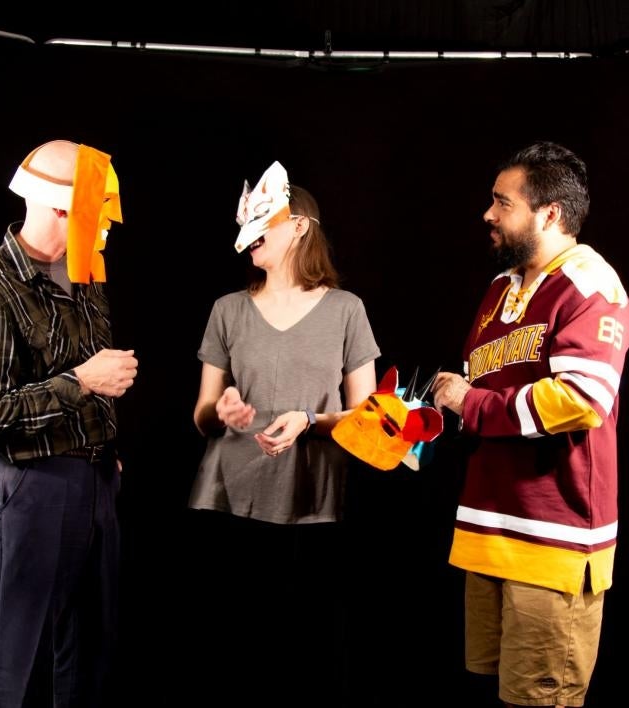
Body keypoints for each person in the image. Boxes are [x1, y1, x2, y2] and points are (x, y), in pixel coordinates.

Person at [432, 141, 629, 708]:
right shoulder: (501, 288)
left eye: (503, 203)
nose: (488, 214)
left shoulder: (591, 286)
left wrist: (470, 404)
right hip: (486, 535)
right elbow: (486, 387)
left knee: (539, 704)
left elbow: (580, 398)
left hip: (551, 546)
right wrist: (440, 405)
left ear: (549, 213)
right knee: (488, 694)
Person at [0, 139, 137, 708]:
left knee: (88, 654)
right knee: (17, 656)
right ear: (60, 208)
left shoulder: (85, 277)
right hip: (31, 488)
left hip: (95, 482)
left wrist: (101, 443)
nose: (105, 228)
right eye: (95, 212)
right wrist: (82, 383)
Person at [187, 160, 380, 704]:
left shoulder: (347, 311)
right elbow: (202, 412)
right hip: (231, 496)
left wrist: (310, 421)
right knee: (237, 648)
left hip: (313, 499)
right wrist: (220, 410)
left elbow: (366, 420)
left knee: (312, 649)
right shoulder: (227, 310)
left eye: (263, 220)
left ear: (298, 227)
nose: (247, 234)